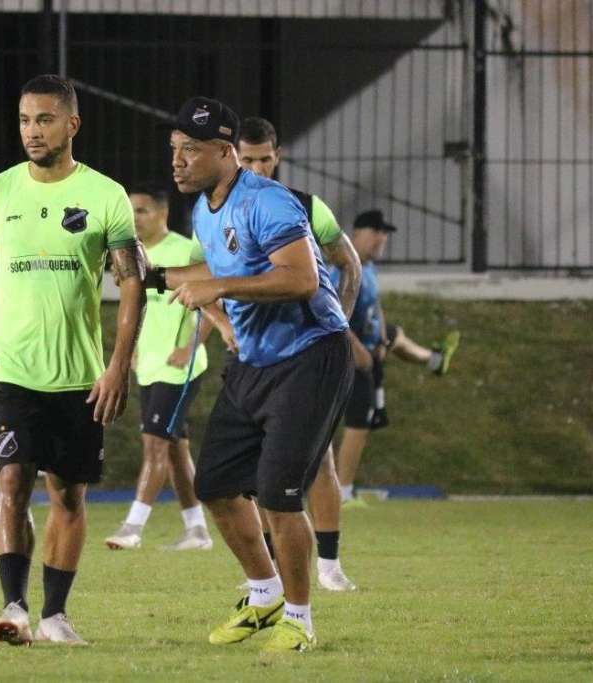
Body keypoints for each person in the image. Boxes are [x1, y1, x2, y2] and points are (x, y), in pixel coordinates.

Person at [0, 74, 145, 647]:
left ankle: (55, 615)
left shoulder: (105, 196)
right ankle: (14, 606)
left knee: (68, 495)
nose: (32, 131)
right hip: (10, 366)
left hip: (77, 374)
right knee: (12, 480)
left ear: (72, 125)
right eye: (24, 120)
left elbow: (131, 285)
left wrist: (118, 365)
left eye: (44, 119)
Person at [146, 96, 354, 653]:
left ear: (224, 151)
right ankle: (265, 595)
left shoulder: (267, 200)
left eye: (191, 150)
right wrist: (154, 275)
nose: (178, 160)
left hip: (310, 356)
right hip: (255, 362)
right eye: (174, 149)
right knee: (214, 485)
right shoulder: (204, 209)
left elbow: (302, 279)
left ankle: (300, 620)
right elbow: (218, 267)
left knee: (279, 496)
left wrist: (217, 288)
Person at [237, 116, 361, 592]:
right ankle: (270, 570)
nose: (257, 168)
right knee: (258, 461)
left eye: (264, 159)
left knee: (320, 457)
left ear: (278, 156)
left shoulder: (305, 207)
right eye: (247, 160)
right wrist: (226, 327)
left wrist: (339, 323)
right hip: (256, 354)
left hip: (307, 353)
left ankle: (329, 565)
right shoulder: (222, 210)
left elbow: (349, 263)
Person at [104, 184, 231, 552]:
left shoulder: (184, 250)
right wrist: (130, 350)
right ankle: (197, 530)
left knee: (155, 443)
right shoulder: (132, 255)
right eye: (130, 211)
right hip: (149, 365)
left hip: (179, 368)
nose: (135, 218)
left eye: (142, 210)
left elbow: (212, 299)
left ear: (163, 213)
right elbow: (133, 306)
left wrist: (191, 345)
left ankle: (133, 527)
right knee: (174, 450)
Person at [333, 209, 461, 503]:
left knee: (394, 335)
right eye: (376, 232)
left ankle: (434, 360)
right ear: (357, 233)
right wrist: (359, 351)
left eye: (385, 233)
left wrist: (379, 338)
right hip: (345, 353)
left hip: (367, 347)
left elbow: (374, 306)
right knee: (358, 422)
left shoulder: (368, 268)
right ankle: (342, 494)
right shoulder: (342, 268)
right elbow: (332, 316)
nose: (382, 238)